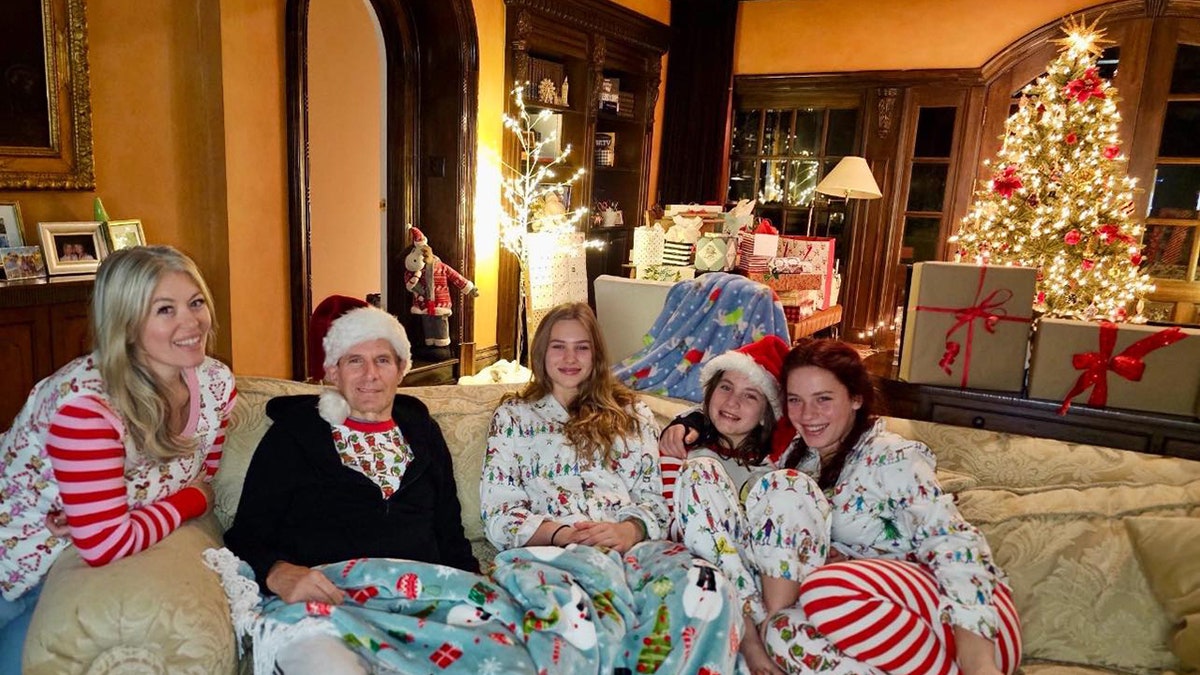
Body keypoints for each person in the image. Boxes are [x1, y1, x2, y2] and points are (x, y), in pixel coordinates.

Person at [0, 245, 236, 674]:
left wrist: (118, 504)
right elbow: (108, 542)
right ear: (125, 325)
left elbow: (203, 470)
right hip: (13, 565)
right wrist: (193, 502)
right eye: (165, 309)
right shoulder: (86, 406)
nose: (191, 322)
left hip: (61, 566)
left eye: (196, 302)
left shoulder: (216, 384)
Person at [480, 302, 743, 674]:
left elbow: (654, 497)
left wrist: (627, 529)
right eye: (558, 346)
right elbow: (499, 512)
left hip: (633, 551)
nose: (570, 357)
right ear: (541, 352)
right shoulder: (513, 417)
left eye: (582, 347)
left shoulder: (632, 413)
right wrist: (564, 535)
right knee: (582, 622)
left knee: (707, 586)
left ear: (596, 354)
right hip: (553, 555)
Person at [223, 302, 480, 674]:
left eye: (382, 360)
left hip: (419, 601)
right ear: (332, 372)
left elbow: (449, 529)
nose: (370, 374)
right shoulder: (294, 436)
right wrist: (276, 571)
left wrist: (471, 585)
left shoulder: (424, 434)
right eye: (354, 360)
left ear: (401, 370)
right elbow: (247, 533)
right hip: (326, 605)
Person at [760, 339, 1022, 675]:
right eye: (795, 400)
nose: (807, 415)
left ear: (856, 398)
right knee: (780, 631)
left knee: (823, 588)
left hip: (968, 621)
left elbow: (954, 543)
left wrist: (979, 662)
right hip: (888, 626)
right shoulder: (798, 460)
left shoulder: (891, 456)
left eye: (823, 399)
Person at [657, 335, 811, 675]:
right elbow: (665, 513)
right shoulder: (689, 447)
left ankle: (763, 626)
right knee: (701, 471)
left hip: (766, 576)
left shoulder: (778, 462)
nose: (733, 402)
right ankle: (751, 632)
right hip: (708, 565)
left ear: (766, 414)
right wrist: (685, 424)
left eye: (750, 395)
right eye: (725, 387)